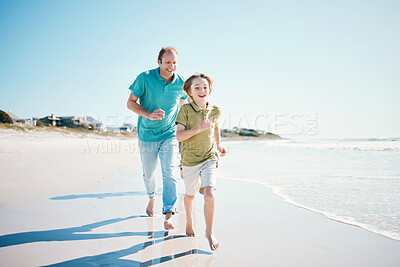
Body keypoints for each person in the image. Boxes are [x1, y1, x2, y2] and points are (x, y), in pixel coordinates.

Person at [127, 47, 188, 230]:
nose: (171, 66)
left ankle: (169, 213)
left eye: (174, 62)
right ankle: (152, 197)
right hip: (146, 135)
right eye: (168, 62)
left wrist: (183, 123)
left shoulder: (180, 83)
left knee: (169, 171)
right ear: (159, 62)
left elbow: (185, 102)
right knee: (148, 175)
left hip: (169, 134)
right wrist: (148, 114)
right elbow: (130, 103)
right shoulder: (144, 78)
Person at [175, 73, 226, 251]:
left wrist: (219, 145)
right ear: (189, 91)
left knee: (210, 193)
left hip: (209, 157)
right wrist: (198, 128)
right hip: (189, 160)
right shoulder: (185, 110)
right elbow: (179, 136)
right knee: (190, 195)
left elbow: (216, 127)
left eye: (204, 87)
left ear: (209, 90)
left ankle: (209, 232)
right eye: (197, 87)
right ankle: (189, 220)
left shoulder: (216, 111)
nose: (202, 90)